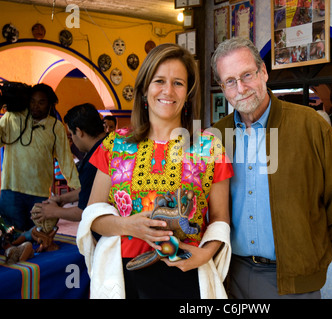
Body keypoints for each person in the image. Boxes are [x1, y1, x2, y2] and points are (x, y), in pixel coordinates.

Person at [77, 43, 233, 299]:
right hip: (125, 277)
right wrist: (128, 226)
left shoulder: (210, 147)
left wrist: (205, 254)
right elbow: (93, 216)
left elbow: (220, 219)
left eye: (178, 83)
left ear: (188, 93)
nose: (168, 91)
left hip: (186, 274)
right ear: (144, 89)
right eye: (159, 80)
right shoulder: (115, 145)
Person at [211, 37, 332, 299]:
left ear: (263, 72)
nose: (241, 88)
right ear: (223, 88)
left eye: (247, 75)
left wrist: (313, 258)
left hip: (294, 281)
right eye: (230, 81)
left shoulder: (311, 126)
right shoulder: (215, 137)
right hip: (231, 277)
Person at [0, 83, 80, 232]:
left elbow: (65, 160)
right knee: (9, 237)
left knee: (37, 238)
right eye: (32, 101)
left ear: (50, 104)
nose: (35, 106)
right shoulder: (13, 117)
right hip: (11, 191)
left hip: (39, 194)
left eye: (41, 102)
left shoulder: (56, 127)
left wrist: (80, 189)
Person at [31, 103, 106, 223]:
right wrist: (62, 199)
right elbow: (91, 188)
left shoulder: (95, 160)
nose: (72, 139)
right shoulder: (111, 143)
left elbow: (84, 211)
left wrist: (52, 212)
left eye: (71, 134)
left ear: (79, 132)